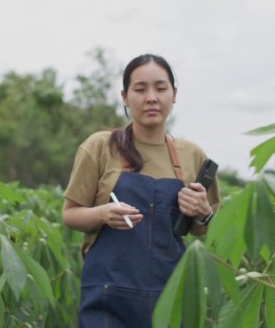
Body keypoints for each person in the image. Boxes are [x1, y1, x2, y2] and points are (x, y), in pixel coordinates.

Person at [61, 53, 221, 327]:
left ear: (174, 94)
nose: (151, 97)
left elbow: (202, 229)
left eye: (160, 88)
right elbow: (70, 215)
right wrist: (102, 213)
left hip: (171, 294)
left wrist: (203, 212)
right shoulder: (99, 146)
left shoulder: (192, 155)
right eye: (140, 89)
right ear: (125, 97)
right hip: (108, 296)